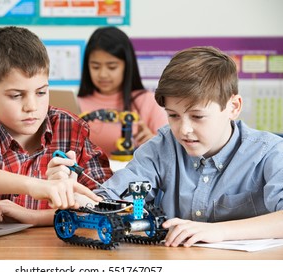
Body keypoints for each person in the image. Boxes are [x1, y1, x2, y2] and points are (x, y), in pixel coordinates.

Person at [59, 46, 283, 246]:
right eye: (173, 115)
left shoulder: (269, 152)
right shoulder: (159, 149)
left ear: (233, 107)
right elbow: (112, 196)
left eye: (197, 116)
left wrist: (219, 231)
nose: (183, 129)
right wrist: (76, 197)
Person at [0, 26, 112, 227]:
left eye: (41, 92)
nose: (31, 107)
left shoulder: (71, 129)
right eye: (16, 95)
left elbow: (105, 202)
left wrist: (32, 217)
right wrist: (34, 186)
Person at [77, 26, 167, 156]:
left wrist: (154, 142)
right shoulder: (75, 104)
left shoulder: (147, 101)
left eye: (112, 67)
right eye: (95, 66)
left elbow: (171, 151)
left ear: (127, 65)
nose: (103, 74)